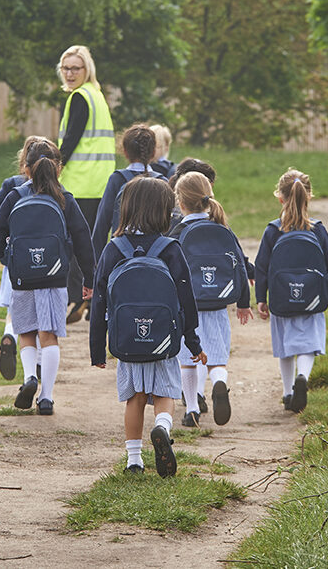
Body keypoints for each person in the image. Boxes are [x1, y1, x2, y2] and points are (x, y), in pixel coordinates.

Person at [89, 177, 206, 477]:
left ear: (126, 209)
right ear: (165, 212)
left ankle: (133, 461)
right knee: (165, 393)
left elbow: (99, 300)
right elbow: (186, 299)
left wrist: (97, 350)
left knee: (135, 399)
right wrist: (192, 341)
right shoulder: (171, 249)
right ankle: (162, 427)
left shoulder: (113, 249)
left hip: (127, 340)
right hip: (164, 342)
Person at [0, 137, 95, 415]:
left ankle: (30, 376)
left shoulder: (14, 196)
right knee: (49, 335)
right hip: (54, 279)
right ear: (58, 168)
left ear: (27, 169)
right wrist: (89, 280)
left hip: (21, 278)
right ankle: (46, 396)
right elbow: (83, 240)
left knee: (26, 332)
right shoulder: (64, 199)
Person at [253, 169, 328, 414]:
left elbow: (261, 267)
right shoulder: (318, 230)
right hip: (313, 298)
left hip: (282, 298)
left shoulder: (273, 230)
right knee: (308, 345)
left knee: (285, 347)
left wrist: (261, 298)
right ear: (309, 197)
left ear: (280, 198)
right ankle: (303, 376)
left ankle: (288, 392)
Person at [168, 172, 252, 427]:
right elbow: (240, 267)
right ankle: (219, 383)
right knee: (217, 359)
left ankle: (192, 410)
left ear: (180, 202)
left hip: (187, 308)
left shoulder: (178, 232)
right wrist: (243, 302)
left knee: (188, 362)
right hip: (217, 306)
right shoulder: (223, 229)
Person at [56, 45, 114, 324]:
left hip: (80, 182)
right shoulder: (97, 96)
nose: (69, 73)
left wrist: (54, 167)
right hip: (100, 182)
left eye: (75, 68)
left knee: (75, 244)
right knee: (94, 244)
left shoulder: (80, 97)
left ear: (86, 70)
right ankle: (95, 299)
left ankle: (79, 296)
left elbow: (71, 139)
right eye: (65, 68)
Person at [0, 137, 40, 382]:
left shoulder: (13, 185)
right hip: (45, 262)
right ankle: (37, 363)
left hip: (14, 260)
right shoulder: (51, 188)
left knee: (15, 310)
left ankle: (9, 334)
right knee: (39, 316)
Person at [90, 123, 167, 261]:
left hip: (121, 254)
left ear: (125, 151)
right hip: (156, 256)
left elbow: (102, 223)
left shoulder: (117, 179)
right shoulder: (162, 182)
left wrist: (94, 265)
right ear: (154, 152)